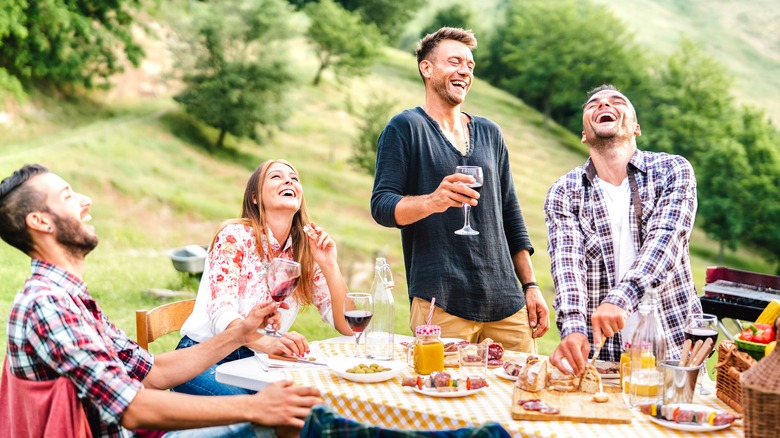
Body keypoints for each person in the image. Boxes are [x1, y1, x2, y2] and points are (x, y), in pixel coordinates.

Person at [0, 164, 323, 437]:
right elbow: (132, 407)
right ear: (40, 222)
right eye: (68, 196)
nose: (87, 201)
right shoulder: (49, 303)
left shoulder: (71, 297)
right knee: (269, 428)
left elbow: (152, 373)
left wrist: (239, 334)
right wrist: (256, 407)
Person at [370, 27, 549, 351]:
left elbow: (510, 213)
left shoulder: (490, 133)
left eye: (470, 65)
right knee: (443, 396)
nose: (465, 71)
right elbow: (382, 206)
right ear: (427, 68)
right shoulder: (405, 128)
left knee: (520, 397)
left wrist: (531, 285)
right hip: (441, 302)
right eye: (455, 62)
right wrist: (432, 201)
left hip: (507, 304)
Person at [545, 84, 700, 377]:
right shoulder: (564, 192)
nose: (604, 105)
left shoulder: (672, 170)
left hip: (674, 350)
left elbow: (666, 240)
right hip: (603, 360)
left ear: (636, 127)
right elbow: (567, 265)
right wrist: (574, 328)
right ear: (583, 134)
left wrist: (621, 298)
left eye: (617, 101)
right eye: (593, 104)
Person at [174, 159, 352, 396]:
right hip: (201, 357)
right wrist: (268, 342)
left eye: (294, 178)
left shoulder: (305, 251)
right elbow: (221, 315)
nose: (288, 180)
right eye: (276, 176)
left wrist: (330, 265)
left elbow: (349, 325)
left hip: (258, 363)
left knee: (311, 405)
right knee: (257, 414)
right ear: (255, 197)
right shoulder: (234, 236)